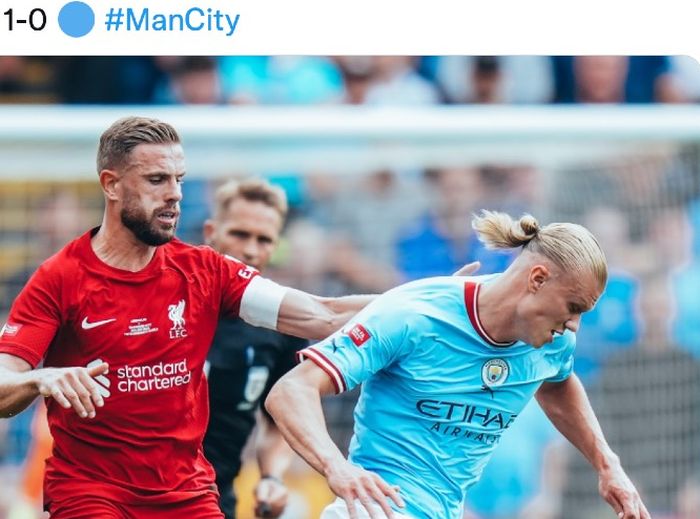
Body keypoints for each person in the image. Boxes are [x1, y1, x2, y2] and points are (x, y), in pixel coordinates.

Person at [0, 116, 380, 518]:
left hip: (186, 493)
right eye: (157, 180)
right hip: (93, 493)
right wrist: (38, 378)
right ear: (111, 184)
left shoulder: (205, 270)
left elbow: (321, 315)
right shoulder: (59, 278)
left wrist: (435, 294)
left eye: (179, 179)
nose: (175, 194)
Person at [266, 210, 651, 519]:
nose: (574, 325)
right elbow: (290, 391)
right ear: (537, 279)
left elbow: (558, 383)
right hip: (379, 508)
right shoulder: (415, 314)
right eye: (574, 307)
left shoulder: (551, 342)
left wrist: (607, 464)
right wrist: (338, 468)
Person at [201, 178, 307, 519]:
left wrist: (272, 476)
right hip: (134, 495)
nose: (250, 250)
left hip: (214, 498)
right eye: (239, 234)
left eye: (264, 240)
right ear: (210, 232)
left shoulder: (280, 324)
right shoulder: (168, 300)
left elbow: (278, 421)